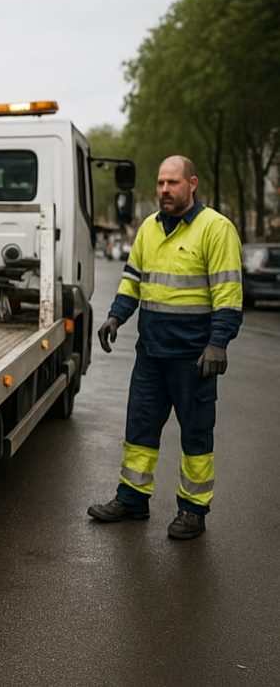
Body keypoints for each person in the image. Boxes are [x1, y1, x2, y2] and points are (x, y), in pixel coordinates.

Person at [88, 155, 242, 540]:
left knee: (195, 436)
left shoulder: (215, 229)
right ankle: (132, 499)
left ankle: (192, 510)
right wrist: (114, 317)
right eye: (159, 183)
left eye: (172, 183)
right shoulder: (149, 229)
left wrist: (218, 343)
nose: (164, 190)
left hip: (194, 358)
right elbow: (132, 280)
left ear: (192, 184)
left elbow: (228, 294)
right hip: (151, 355)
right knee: (139, 429)